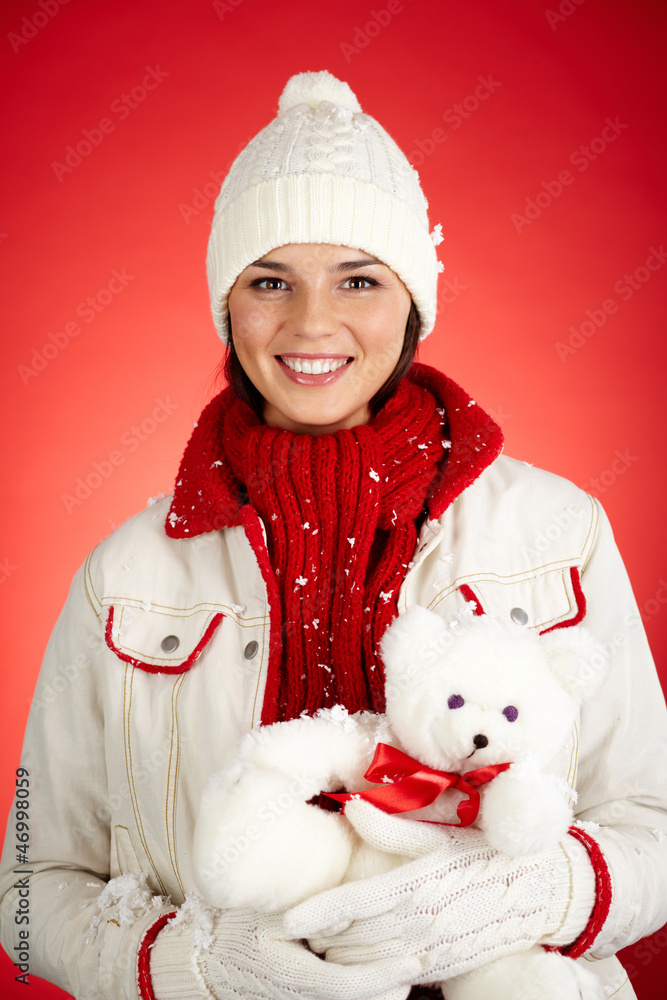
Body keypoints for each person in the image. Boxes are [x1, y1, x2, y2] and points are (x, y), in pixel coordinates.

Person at [1, 70, 666, 1000]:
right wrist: (193, 968)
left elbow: (652, 825)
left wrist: (534, 896)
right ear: (226, 306)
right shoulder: (126, 572)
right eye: (270, 281)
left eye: (358, 278)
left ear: (413, 303)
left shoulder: (561, 531)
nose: (312, 323)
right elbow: (28, 897)